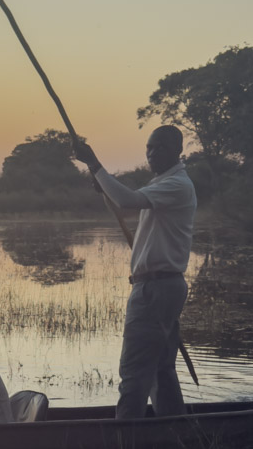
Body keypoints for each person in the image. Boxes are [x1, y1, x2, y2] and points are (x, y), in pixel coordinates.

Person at [72, 125, 196, 419]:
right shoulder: (163, 183)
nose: (151, 153)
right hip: (161, 287)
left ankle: (125, 448)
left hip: (156, 289)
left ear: (177, 150)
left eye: (159, 147)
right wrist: (103, 187)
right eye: (148, 148)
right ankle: (173, 434)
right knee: (160, 370)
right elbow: (122, 206)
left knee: (134, 372)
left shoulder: (177, 184)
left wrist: (95, 165)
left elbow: (127, 199)